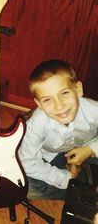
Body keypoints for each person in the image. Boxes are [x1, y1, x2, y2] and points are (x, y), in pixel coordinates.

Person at [19, 59, 98, 199]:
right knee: (24, 186)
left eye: (64, 93)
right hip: (51, 155)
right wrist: (66, 177)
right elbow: (27, 161)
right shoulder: (36, 124)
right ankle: (82, 185)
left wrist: (90, 149)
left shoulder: (93, 109)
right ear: (39, 104)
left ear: (78, 89)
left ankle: (81, 186)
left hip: (88, 149)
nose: (59, 106)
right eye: (47, 100)